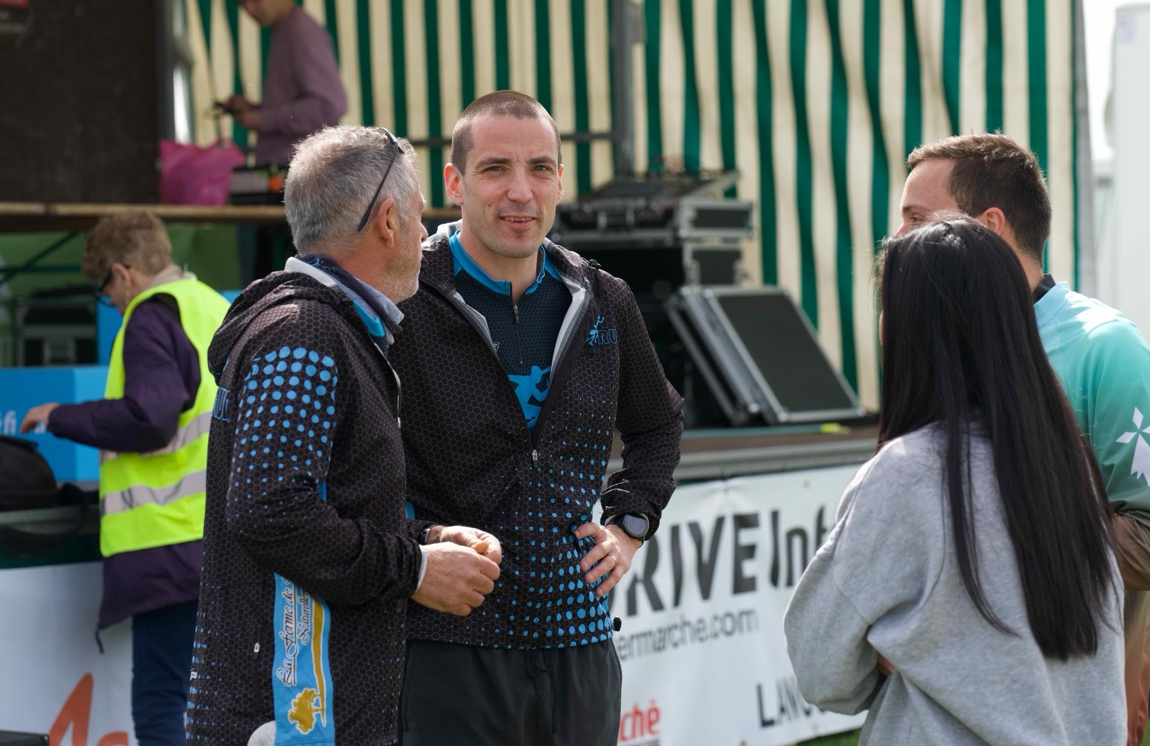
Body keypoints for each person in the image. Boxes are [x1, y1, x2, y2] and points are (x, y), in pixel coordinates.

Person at [184, 126, 502, 745]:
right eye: (418, 216)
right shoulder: (304, 331)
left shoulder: (327, 328)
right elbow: (269, 510)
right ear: (388, 221)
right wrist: (415, 569)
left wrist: (426, 537)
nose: (424, 235)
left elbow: (327, 503)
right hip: (290, 718)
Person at [390, 91, 684, 746]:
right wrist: (413, 552)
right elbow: (349, 460)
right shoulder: (402, 297)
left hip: (577, 641)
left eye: (540, 169)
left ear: (560, 181)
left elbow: (657, 423)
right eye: (496, 169)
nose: (520, 192)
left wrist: (630, 525)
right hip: (445, 640)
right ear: (455, 183)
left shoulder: (603, 297)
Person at [895, 133, 1150, 744]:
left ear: (989, 227)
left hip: (1074, 718)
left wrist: (996, 533)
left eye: (917, 219)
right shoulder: (938, 344)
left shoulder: (1106, 350)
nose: (899, 239)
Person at [785, 217, 1126, 744]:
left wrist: (893, 651)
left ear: (912, 327)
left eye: (887, 307)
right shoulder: (1067, 463)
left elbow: (821, 669)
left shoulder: (906, 473)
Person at [20, 211, 231, 746]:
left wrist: (60, 416)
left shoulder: (149, 316)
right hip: (225, 539)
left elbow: (149, 419)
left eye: (106, 291)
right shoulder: (213, 306)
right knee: (215, 706)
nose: (112, 303)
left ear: (123, 273)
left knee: (162, 704)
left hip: (170, 546)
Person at [222, 0, 347, 167]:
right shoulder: (284, 30)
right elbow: (293, 103)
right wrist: (255, 109)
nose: (249, 9)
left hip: (301, 172)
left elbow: (330, 106)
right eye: (242, 3)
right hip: (287, 170)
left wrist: (263, 119)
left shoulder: (302, 32)